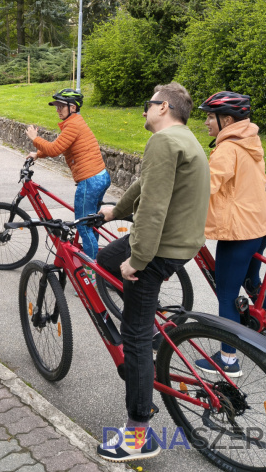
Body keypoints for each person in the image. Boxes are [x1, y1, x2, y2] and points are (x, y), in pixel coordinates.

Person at [95, 82, 210, 463]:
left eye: (148, 105)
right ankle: (143, 311)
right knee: (106, 258)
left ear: (163, 107)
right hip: (180, 244)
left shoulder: (163, 142)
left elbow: (154, 207)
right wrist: (115, 212)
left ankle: (138, 435)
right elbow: (145, 186)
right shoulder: (185, 139)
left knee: (136, 339)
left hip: (159, 250)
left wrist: (138, 260)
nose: (144, 111)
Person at [193, 91, 266, 377]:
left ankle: (228, 359)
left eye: (209, 117)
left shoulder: (228, 148)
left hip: (239, 231)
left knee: (227, 294)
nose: (205, 122)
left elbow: (206, 185)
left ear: (226, 119)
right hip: (260, 224)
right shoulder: (249, 139)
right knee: (252, 281)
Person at [25, 88, 110, 264]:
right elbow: (61, 146)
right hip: (99, 177)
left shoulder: (73, 124)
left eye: (62, 106)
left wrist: (35, 138)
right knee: (90, 222)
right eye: (56, 106)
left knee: (83, 226)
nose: (58, 109)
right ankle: (98, 261)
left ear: (73, 107)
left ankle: (93, 274)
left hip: (90, 181)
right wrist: (37, 154)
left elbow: (55, 149)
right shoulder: (74, 122)